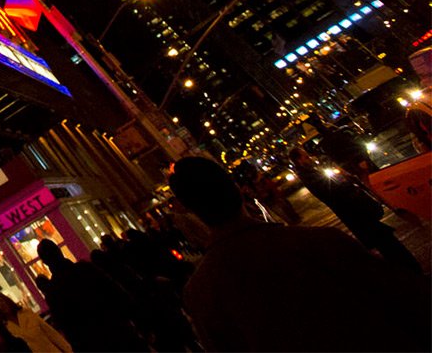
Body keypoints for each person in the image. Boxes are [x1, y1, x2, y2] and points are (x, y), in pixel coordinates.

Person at [169, 154, 430, 351]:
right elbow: (408, 300)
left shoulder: (202, 293)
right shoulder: (319, 243)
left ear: (193, 211)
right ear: (239, 191)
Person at [288, 145, 423, 272]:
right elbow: (333, 191)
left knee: (386, 243)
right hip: (356, 212)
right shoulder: (309, 176)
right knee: (387, 243)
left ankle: (408, 269)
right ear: (299, 161)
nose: (310, 158)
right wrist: (345, 181)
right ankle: (411, 270)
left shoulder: (310, 173)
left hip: (356, 212)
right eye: (305, 157)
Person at [32, 239, 147, 351]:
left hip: (94, 343)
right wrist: (139, 321)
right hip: (119, 329)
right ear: (59, 250)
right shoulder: (85, 268)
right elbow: (116, 292)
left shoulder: (54, 292)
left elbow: (68, 328)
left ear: (45, 262)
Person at [0, 290, 71, 353]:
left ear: (7, 300)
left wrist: (67, 349)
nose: (1, 304)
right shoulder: (5, 327)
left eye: (1, 300)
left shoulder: (26, 313)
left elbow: (50, 332)